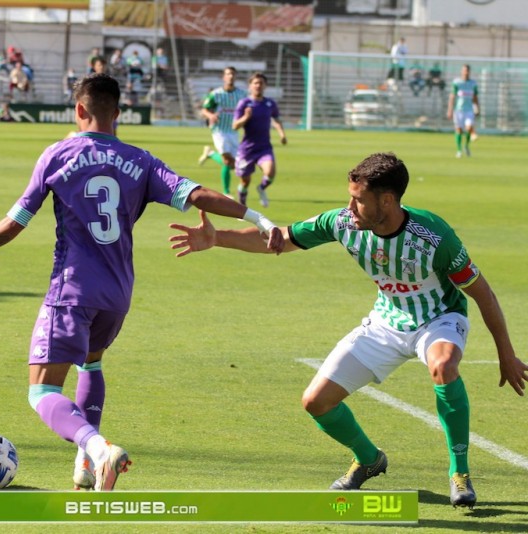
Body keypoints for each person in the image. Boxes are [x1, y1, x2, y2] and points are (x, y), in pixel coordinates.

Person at [0, 73, 282, 492]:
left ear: (79, 110)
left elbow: (19, 219)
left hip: (71, 290)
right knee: (91, 362)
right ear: (118, 113)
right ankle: (85, 468)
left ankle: (99, 450)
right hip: (118, 294)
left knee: (41, 391)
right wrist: (256, 217)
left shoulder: (57, 154)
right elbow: (198, 194)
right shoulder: (142, 161)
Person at [169, 152, 527, 508]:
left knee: (444, 365)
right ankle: (369, 458)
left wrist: (506, 355)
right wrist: (218, 239)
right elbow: (279, 239)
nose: (350, 206)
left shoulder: (434, 237)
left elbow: (483, 294)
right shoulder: (342, 222)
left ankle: (459, 473)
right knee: (315, 402)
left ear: (386, 200)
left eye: (358, 199)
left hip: (439, 318)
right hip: (386, 321)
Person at [232, 72, 287, 207]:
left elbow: (277, 120)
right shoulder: (244, 103)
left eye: (261, 83)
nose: (258, 85)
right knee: (245, 182)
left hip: (264, 147)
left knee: (270, 172)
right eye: (255, 83)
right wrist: (245, 117)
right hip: (247, 149)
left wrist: (282, 134)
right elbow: (234, 126)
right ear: (250, 86)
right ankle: (242, 203)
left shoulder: (270, 103)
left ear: (265, 86)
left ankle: (261, 188)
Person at [197, 67, 247, 198]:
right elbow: (204, 109)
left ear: (235, 77)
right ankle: (226, 192)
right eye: (228, 74)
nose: (230, 76)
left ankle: (211, 153)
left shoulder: (241, 94)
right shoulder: (216, 94)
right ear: (223, 77)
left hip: (234, 131)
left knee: (233, 165)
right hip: (219, 131)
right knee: (226, 161)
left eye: (233, 74)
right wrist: (210, 116)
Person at [447, 64, 480, 158]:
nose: (466, 72)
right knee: (459, 130)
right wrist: (450, 110)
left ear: (469, 72)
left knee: (469, 127)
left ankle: (466, 146)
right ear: (462, 71)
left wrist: (477, 108)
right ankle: (459, 150)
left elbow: (475, 97)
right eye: (464, 70)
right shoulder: (457, 83)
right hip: (459, 110)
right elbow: (452, 97)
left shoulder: (473, 83)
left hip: (469, 110)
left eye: (467, 70)